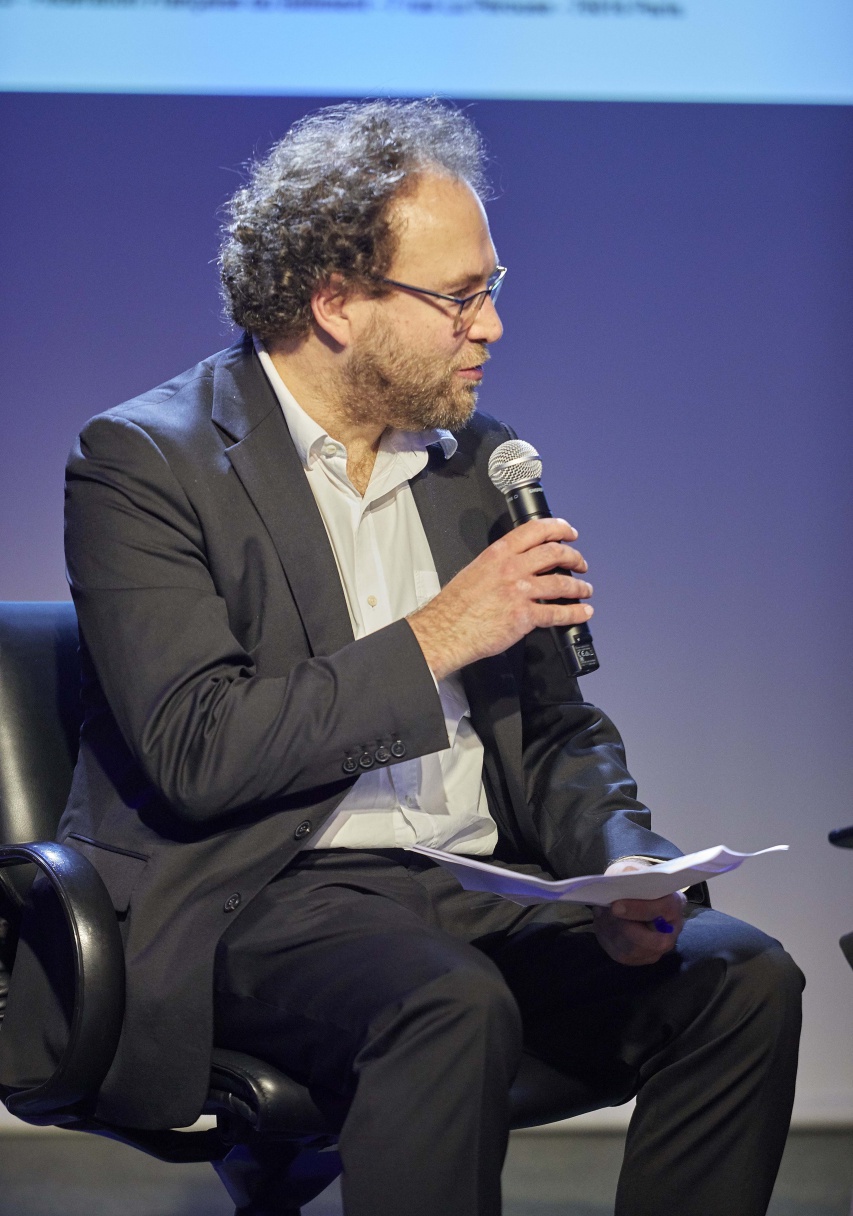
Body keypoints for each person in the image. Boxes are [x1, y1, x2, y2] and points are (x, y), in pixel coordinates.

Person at [1, 100, 802, 1216]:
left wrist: (627, 863)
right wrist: (438, 635)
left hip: (470, 887)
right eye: (459, 297)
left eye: (492, 288)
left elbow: (553, 729)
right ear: (335, 301)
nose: (491, 327)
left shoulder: (479, 462)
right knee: (446, 1004)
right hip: (263, 898)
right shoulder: (146, 460)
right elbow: (198, 751)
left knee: (741, 976)